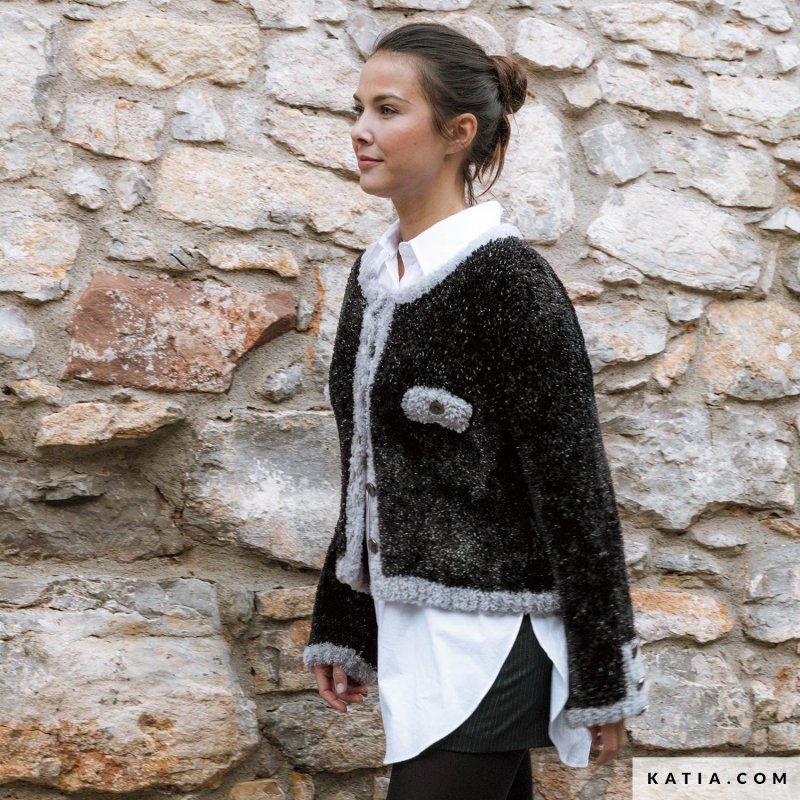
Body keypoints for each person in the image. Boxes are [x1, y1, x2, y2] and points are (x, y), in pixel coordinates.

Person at [302, 21, 648, 800]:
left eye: (388, 110)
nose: (360, 129)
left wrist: (604, 673)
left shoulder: (510, 283)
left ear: (458, 132)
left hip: (496, 641)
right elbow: (364, 472)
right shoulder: (373, 279)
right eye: (358, 108)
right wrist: (344, 620)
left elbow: (576, 489)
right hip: (413, 633)